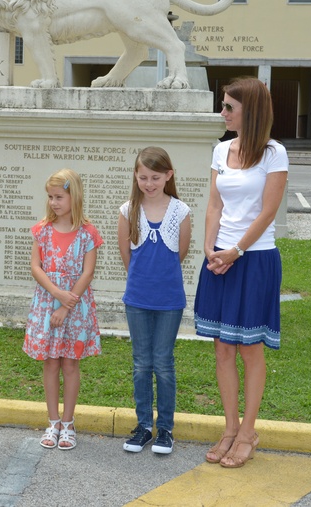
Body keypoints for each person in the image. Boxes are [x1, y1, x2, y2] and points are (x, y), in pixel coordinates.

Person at [194, 77, 289, 468]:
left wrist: (236, 250)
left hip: (254, 259)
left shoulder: (274, 154)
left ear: (249, 112)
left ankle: (249, 432)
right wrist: (210, 248)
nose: (223, 112)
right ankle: (230, 428)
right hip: (220, 258)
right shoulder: (220, 150)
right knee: (222, 347)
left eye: (229, 107)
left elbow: (268, 212)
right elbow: (214, 205)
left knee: (249, 349)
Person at [118, 147, 192, 455]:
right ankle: (144, 426)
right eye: (143, 177)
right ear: (135, 176)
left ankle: (166, 429)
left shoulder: (180, 211)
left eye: (156, 177)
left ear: (168, 176)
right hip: (137, 299)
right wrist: (142, 282)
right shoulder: (128, 211)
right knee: (140, 363)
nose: (149, 183)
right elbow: (126, 256)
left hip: (169, 301)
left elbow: (182, 253)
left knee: (163, 363)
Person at [23, 169, 103, 451]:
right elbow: (36, 266)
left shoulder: (88, 233)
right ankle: (53, 421)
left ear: (74, 196)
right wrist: (56, 293)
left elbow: (87, 272)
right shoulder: (42, 230)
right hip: (47, 304)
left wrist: (66, 305)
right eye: (50, 197)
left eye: (59, 197)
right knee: (51, 362)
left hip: (75, 308)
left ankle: (68, 423)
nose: (54, 202)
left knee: (70, 363)